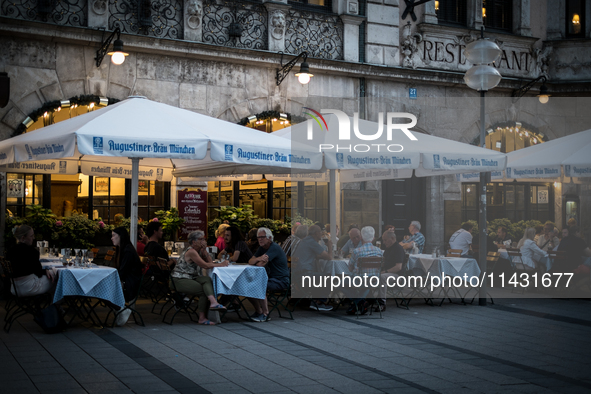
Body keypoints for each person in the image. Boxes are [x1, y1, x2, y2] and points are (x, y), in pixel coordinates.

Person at [170, 230, 228, 325]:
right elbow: (205, 265)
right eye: (201, 239)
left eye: (204, 239)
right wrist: (221, 264)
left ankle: (213, 302)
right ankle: (202, 318)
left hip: (190, 277)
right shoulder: (191, 251)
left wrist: (204, 250)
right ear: (194, 242)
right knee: (203, 291)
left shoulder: (198, 251)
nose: (204, 241)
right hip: (179, 279)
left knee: (206, 279)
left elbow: (210, 262)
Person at [248, 227, 290, 322]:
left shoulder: (274, 248)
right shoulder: (262, 248)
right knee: (247, 286)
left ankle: (265, 313)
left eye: (263, 237)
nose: (260, 239)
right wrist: (259, 258)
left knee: (259, 285)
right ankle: (259, 311)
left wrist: (258, 260)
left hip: (281, 280)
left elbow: (259, 265)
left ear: (270, 238)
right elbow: (250, 261)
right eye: (258, 237)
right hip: (270, 278)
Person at [292, 225, 334, 311]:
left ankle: (315, 300)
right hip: (304, 275)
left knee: (320, 276)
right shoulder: (312, 242)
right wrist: (330, 245)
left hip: (297, 275)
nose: (322, 234)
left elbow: (317, 255)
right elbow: (329, 257)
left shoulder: (305, 240)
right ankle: (319, 302)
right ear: (316, 233)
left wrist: (322, 256)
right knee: (329, 277)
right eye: (321, 232)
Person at [6, 225, 54, 297]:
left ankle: (51, 305)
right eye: (31, 236)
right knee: (56, 277)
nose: (33, 238)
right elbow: (39, 272)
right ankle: (56, 305)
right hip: (29, 288)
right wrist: (45, 271)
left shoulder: (10, 251)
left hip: (15, 288)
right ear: (23, 238)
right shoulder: (32, 252)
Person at [112, 227, 144, 302]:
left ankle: (119, 309)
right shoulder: (123, 249)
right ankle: (119, 309)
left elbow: (122, 271)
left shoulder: (128, 251)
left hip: (130, 285)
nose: (111, 238)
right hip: (127, 281)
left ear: (120, 236)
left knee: (106, 289)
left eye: (113, 235)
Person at [377, 230, 405, 311]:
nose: (384, 242)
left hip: (397, 275)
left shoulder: (398, 248)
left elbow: (398, 267)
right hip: (388, 272)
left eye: (385, 240)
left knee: (382, 277)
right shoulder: (388, 248)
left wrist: (385, 272)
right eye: (383, 240)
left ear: (392, 238)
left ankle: (382, 303)